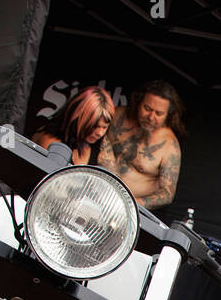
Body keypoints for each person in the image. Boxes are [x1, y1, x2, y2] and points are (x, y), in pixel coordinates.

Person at [98, 80, 184, 209]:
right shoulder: (117, 116)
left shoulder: (170, 146)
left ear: (168, 115)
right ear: (138, 102)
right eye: (147, 109)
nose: (151, 117)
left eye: (159, 114)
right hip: (96, 190)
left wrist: (131, 204)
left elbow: (167, 194)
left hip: (126, 210)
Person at [31, 86, 114, 165]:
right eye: (94, 126)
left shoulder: (99, 144)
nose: (100, 133)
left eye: (104, 127)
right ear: (77, 119)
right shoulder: (51, 142)